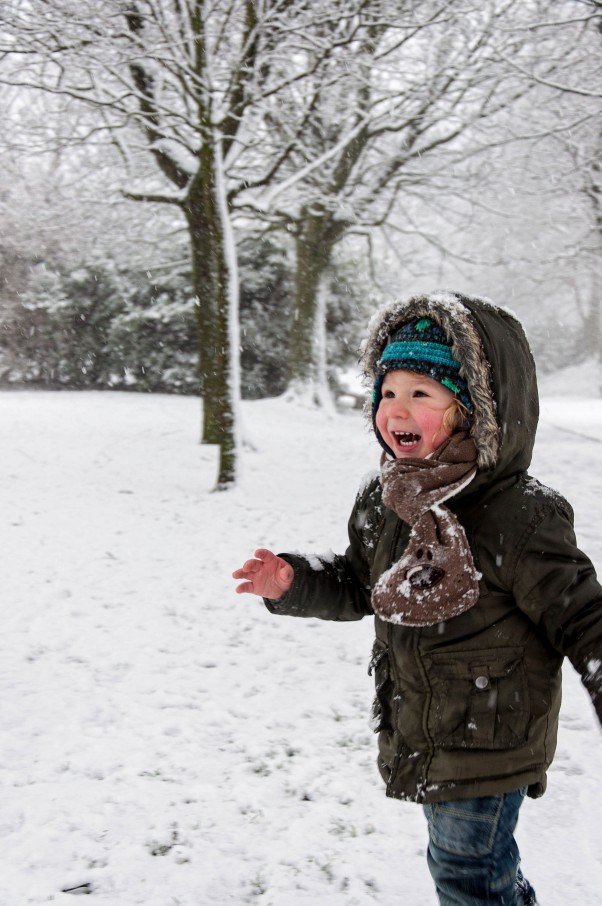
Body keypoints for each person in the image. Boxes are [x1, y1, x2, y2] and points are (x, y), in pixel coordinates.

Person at [232, 290, 602, 906]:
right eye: (388, 392)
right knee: (476, 866)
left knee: (465, 874)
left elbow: (584, 615)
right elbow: (361, 583)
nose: (395, 408)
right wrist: (294, 583)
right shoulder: (387, 500)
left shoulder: (517, 513)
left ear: (472, 410)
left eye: (421, 394)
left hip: (490, 734)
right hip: (421, 723)